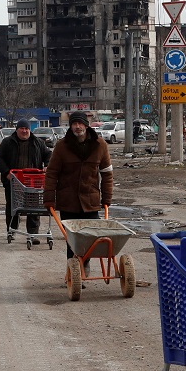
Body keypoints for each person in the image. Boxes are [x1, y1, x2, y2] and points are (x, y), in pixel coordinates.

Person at [43, 111, 114, 270]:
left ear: (86, 125)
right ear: (70, 126)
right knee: (72, 240)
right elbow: (52, 174)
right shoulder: (62, 146)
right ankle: (74, 269)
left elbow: (107, 174)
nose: (77, 127)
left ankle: (84, 264)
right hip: (68, 202)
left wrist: (107, 199)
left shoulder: (100, 145)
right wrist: (49, 199)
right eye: (74, 124)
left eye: (80, 123)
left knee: (91, 238)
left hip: (91, 201)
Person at [0, 119, 51, 243]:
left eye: (27, 129)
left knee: (33, 207)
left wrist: (47, 165)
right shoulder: (8, 142)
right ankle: (11, 230)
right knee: (12, 207)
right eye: (22, 128)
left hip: (33, 181)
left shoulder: (38, 142)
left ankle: (33, 234)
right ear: (17, 129)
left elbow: (48, 155)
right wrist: (6, 172)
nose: (24, 131)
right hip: (13, 181)